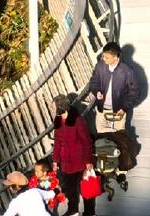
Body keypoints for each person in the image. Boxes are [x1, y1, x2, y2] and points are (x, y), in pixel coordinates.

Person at [89, 42, 139, 182]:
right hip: (102, 110)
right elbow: (93, 82)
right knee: (101, 139)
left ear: (115, 56)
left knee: (120, 139)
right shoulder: (100, 66)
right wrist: (97, 91)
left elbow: (134, 92)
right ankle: (104, 166)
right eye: (103, 56)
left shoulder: (126, 71)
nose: (104, 59)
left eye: (106, 57)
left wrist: (124, 107)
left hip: (118, 112)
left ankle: (121, 170)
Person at [52, 99, 96, 216]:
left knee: (86, 188)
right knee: (71, 190)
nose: (62, 116)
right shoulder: (58, 120)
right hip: (66, 163)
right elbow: (57, 142)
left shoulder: (78, 120)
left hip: (80, 161)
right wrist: (56, 160)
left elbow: (86, 141)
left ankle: (89, 212)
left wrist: (88, 161)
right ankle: (73, 210)